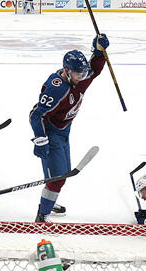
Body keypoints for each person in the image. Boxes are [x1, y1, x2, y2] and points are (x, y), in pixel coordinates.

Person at [30, 33, 109, 222]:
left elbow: (95, 71)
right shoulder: (56, 88)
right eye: (77, 74)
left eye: (82, 73)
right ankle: (43, 215)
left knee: (62, 175)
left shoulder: (78, 76)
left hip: (65, 131)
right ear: (66, 71)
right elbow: (35, 114)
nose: (82, 77)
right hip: (52, 133)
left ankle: (49, 200)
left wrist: (99, 52)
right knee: (57, 179)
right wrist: (41, 139)